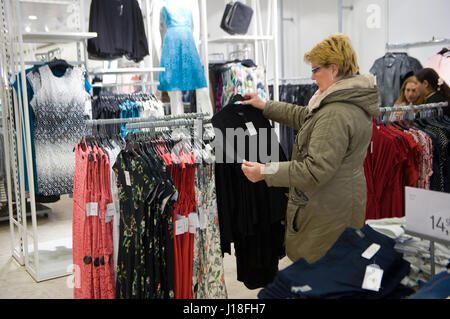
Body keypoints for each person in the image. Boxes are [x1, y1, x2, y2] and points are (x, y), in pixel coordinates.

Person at [239, 33, 380, 264]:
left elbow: (314, 170)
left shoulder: (335, 112)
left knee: (321, 274)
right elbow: (305, 117)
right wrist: (265, 106)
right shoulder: (344, 103)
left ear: (333, 69)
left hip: (326, 210)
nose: (312, 76)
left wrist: (265, 172)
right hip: (340, 202)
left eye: (316, 70)